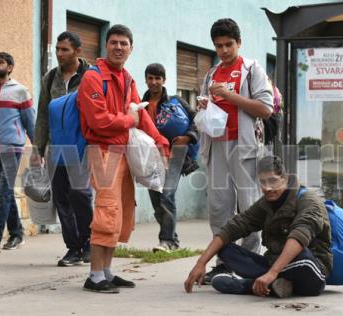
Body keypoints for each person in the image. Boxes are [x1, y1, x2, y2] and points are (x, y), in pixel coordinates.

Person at [77, 24, 170, 293]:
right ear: (106, 46)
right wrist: (127, 120)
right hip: (102, 150)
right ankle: (94, 276)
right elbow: (97, 120)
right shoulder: (93, 78)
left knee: (121, 213)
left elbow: (140, 117)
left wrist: (161, 141)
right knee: (106, 211)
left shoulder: (128, 78)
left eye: (124, 43)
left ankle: (106, 271)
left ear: (131, 48)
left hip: (123, 151)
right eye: (114, 42)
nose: (118, 47)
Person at [184, 156, 331, 298]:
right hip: (274, 264)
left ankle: (248, 285)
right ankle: (275, 285)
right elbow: (233, 227)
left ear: (285, 179)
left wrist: (272, 273)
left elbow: (300, 235)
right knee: (224, 249)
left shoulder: (308, 200)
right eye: (263, 182)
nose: (267, 188)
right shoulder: (265, 203)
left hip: (310, 269)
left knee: (303, 258)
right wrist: (201, 263)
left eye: (273, 181)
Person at [196, 18, 273, 283]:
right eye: (219, 46)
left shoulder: (252, 70)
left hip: (246, 148)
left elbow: (265, 108)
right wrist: (204, 107)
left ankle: (250, 263)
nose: (224, 51)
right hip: (216, 146)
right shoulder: (211, 74)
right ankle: (224, 262)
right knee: (219, 209)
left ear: (239, 42)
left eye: (229, 44)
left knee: (250, 207)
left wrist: (229, 97)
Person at [32, 31, 94, 266]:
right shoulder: (50, 78)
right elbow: (42, 116)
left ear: (78, 51)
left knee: (81, 195)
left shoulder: (91, 75)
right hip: (57, 147)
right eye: (57, 49)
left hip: (83, 146)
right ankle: (73, 248)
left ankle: (89, 242)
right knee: (61, 199)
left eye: (64, 49)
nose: (59, 53)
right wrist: (38, 148)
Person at [141, 63, 199, 252]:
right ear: (146, 80)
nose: (154, 82)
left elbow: (197, 119)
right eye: (150, 78)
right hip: (150, 157)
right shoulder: (140, 104)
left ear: (164, 80)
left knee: (167, 195)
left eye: (158, 78)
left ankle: (165, 240)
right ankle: (172, 240)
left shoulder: (177, 102)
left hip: (175, 155)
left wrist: (188, 137)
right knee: (157, 201)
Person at [0, 52, 35, 252]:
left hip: (11, 148)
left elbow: (30, 121)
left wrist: (38, 148)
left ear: (10, 67)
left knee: (1, 193)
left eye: (0, 62)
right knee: (5, 193)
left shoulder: (20, 90)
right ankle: (17, 234)